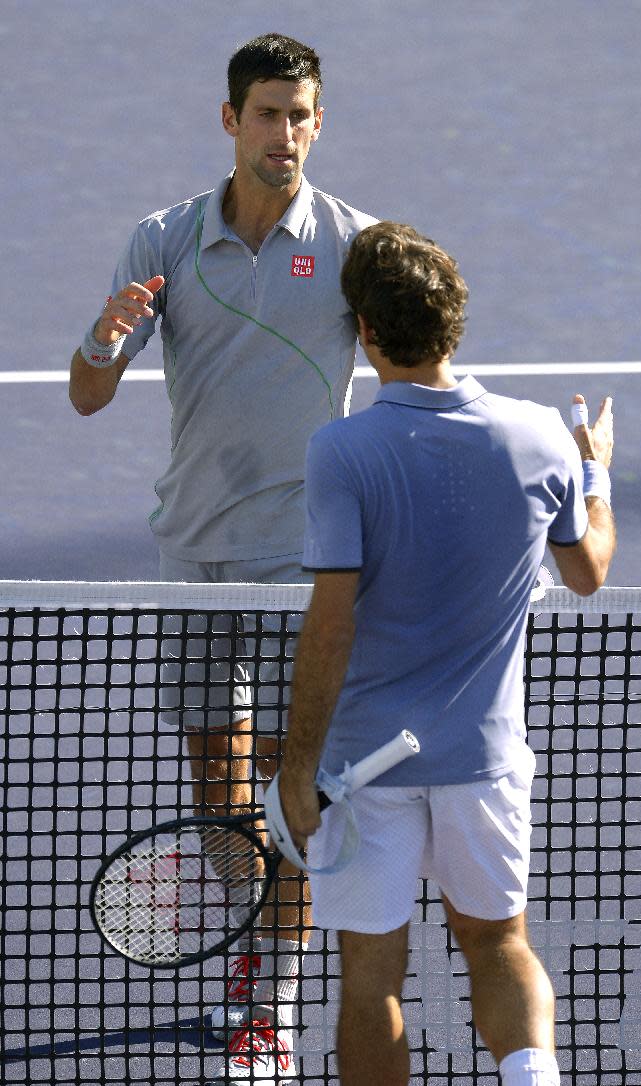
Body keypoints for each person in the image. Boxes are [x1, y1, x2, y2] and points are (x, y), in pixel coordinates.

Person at [68, 32, 376, 1083]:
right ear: (230, 121)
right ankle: (248, 939)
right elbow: (87, 389)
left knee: (294, 789)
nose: (284, 134)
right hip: (196, 554)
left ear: (318, 123)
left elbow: (411, 373)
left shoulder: (353, 244)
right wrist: (106, 338)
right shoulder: (162, 239)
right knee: (216, 782)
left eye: (301, 116)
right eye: (266, 114)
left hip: (304, 567)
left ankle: (271, 1000)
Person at [277, 221, 616, 1086]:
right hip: (485, 762)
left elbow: (331, 625)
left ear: (365, 331)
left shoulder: (341, 450)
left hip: (364, 769)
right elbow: (587, 574)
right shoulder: (542, 436)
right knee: (500, 943)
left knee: (371, 976)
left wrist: (297, 766)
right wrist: (595, 474)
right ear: (453, 324)